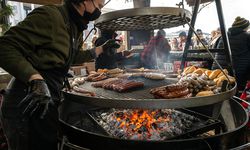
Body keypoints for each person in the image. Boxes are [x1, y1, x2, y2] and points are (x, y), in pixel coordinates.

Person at [0, 0, 119, 149]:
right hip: (27, 101)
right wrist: (35, 79)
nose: (99, 11)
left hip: (48, 97)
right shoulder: (50, 16)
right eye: (99, 6)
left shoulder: (75, 26)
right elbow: (4, 46)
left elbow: (70, 57)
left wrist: (101, 49)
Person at [213, 16, 250, 92]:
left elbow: (214, 52)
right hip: (236, 73)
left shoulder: (222, 36)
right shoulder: (247, 36)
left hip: (217, 71)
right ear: (245, 27)